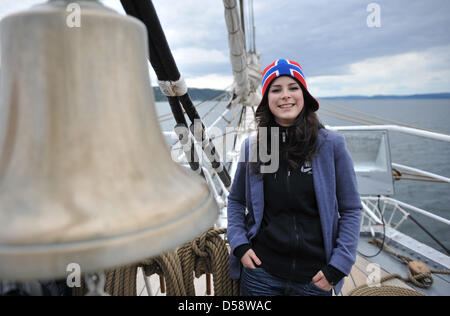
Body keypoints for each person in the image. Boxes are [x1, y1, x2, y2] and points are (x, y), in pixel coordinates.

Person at [227, 59, 362, 296]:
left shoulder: (330, 145)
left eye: (293, 87)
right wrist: (239, 244)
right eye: (276, 90)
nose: (285, 96)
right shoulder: (257, 147)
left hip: (315, 278)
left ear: (304, 95)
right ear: (267, 100)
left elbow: (351, 209)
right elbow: (236, 201)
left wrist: (339, 266)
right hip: (261, 273)